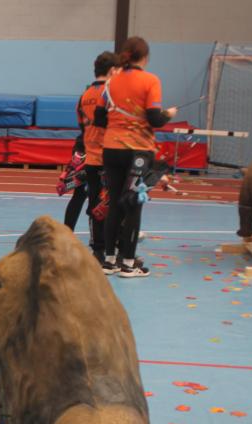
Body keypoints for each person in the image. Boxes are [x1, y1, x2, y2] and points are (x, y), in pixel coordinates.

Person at [99, 37, 176, 278]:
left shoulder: (110, 82)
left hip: (111, 149)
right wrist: (168, 114)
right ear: (145, 57)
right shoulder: (151, 81)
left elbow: (100, 118)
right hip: (138, 152)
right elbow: (154, 118)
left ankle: (109, 260)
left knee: (114, 203)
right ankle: (128, 264)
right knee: (133, 205)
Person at [77, 51, 121, 264]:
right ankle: (116, 250)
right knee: (115, 204)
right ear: (112, 70)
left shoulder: (84, 95)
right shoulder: (111, 93)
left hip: (91, 157)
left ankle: (98, 249)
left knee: (95, 203)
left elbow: (81, 125)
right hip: (110, 156)